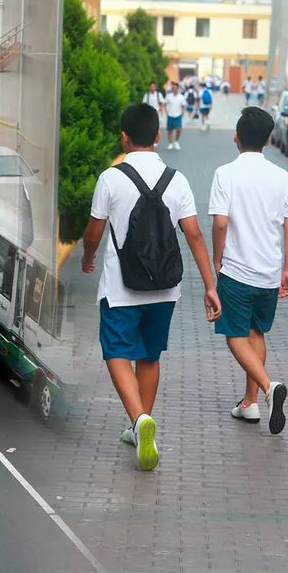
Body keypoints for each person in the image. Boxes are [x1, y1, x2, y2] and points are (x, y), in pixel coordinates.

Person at [81, 103, 220, 471]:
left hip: (121, 287)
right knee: (150, 356)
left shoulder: (110, 178)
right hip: (165, 289)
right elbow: (194, 236)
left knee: (115, 352)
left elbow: (94, 231)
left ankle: (139, 420)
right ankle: (142, 425)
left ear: (123, 137)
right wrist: (210, 286)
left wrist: (87, 257)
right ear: (158, 136)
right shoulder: (178, 179)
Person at [210, 107, 288, 434]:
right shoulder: (283, 176)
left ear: (237, 136)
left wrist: (218, 260)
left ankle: (267, 387)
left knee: (235, 336)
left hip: (237, 270)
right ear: (269, 140)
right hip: (270, 271)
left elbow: (220, 223)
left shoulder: (225, 173)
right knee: (256, 333)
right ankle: (249, 404)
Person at [163, 83, 187, 151]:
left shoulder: (181, 97)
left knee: (178, 129)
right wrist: (166, 111)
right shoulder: (168, 96)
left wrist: (183, 112)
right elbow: (164, 104)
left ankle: (176, 141)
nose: (174, 89)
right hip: (170, 115)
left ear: (178, 89)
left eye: (176, 88)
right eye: (173, 88)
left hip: (178, 115)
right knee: (170, 130)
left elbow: (183, 105)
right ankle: (170, 143)